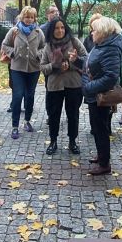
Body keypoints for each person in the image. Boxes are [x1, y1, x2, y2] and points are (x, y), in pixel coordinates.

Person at [82, 16, 122, 176]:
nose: (92, 33)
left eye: (94, 30)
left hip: (100, 95)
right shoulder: (101, 45)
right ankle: (101, 155)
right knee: (97, 128)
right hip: (94, 94)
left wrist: (88, 87)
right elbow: (91, 65)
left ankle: (105, 164)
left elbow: (110, 77)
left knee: (101, 129)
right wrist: (77, 61)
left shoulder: (110, 49)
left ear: (103, 32)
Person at [40, 17, 87, 155]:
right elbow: (43, 67)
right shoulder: (48, 46)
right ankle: (53, 141)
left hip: (73, 84)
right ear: (51, 30)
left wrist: (73, 63)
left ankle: (72, 141)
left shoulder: (74, 41)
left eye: (62, 27)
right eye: (56, 28)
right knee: (53, 115)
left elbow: (86, 60)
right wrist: (55, 65)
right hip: (54, 85)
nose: (60, 30)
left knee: (73, 114)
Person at [2, 6, 45, 139]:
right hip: (17, 68)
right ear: (22, 17)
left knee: (30, 95)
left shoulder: (38, 32)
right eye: (26, 17)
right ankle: (15, 126)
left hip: (33, 68)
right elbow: (5, 45)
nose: (29, 19)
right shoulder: (14, 31)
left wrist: (38, 54)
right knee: (18, 95)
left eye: (31, 17)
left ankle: (27, 121)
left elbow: (44, 47)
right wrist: (13, 53)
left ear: (34, 18)